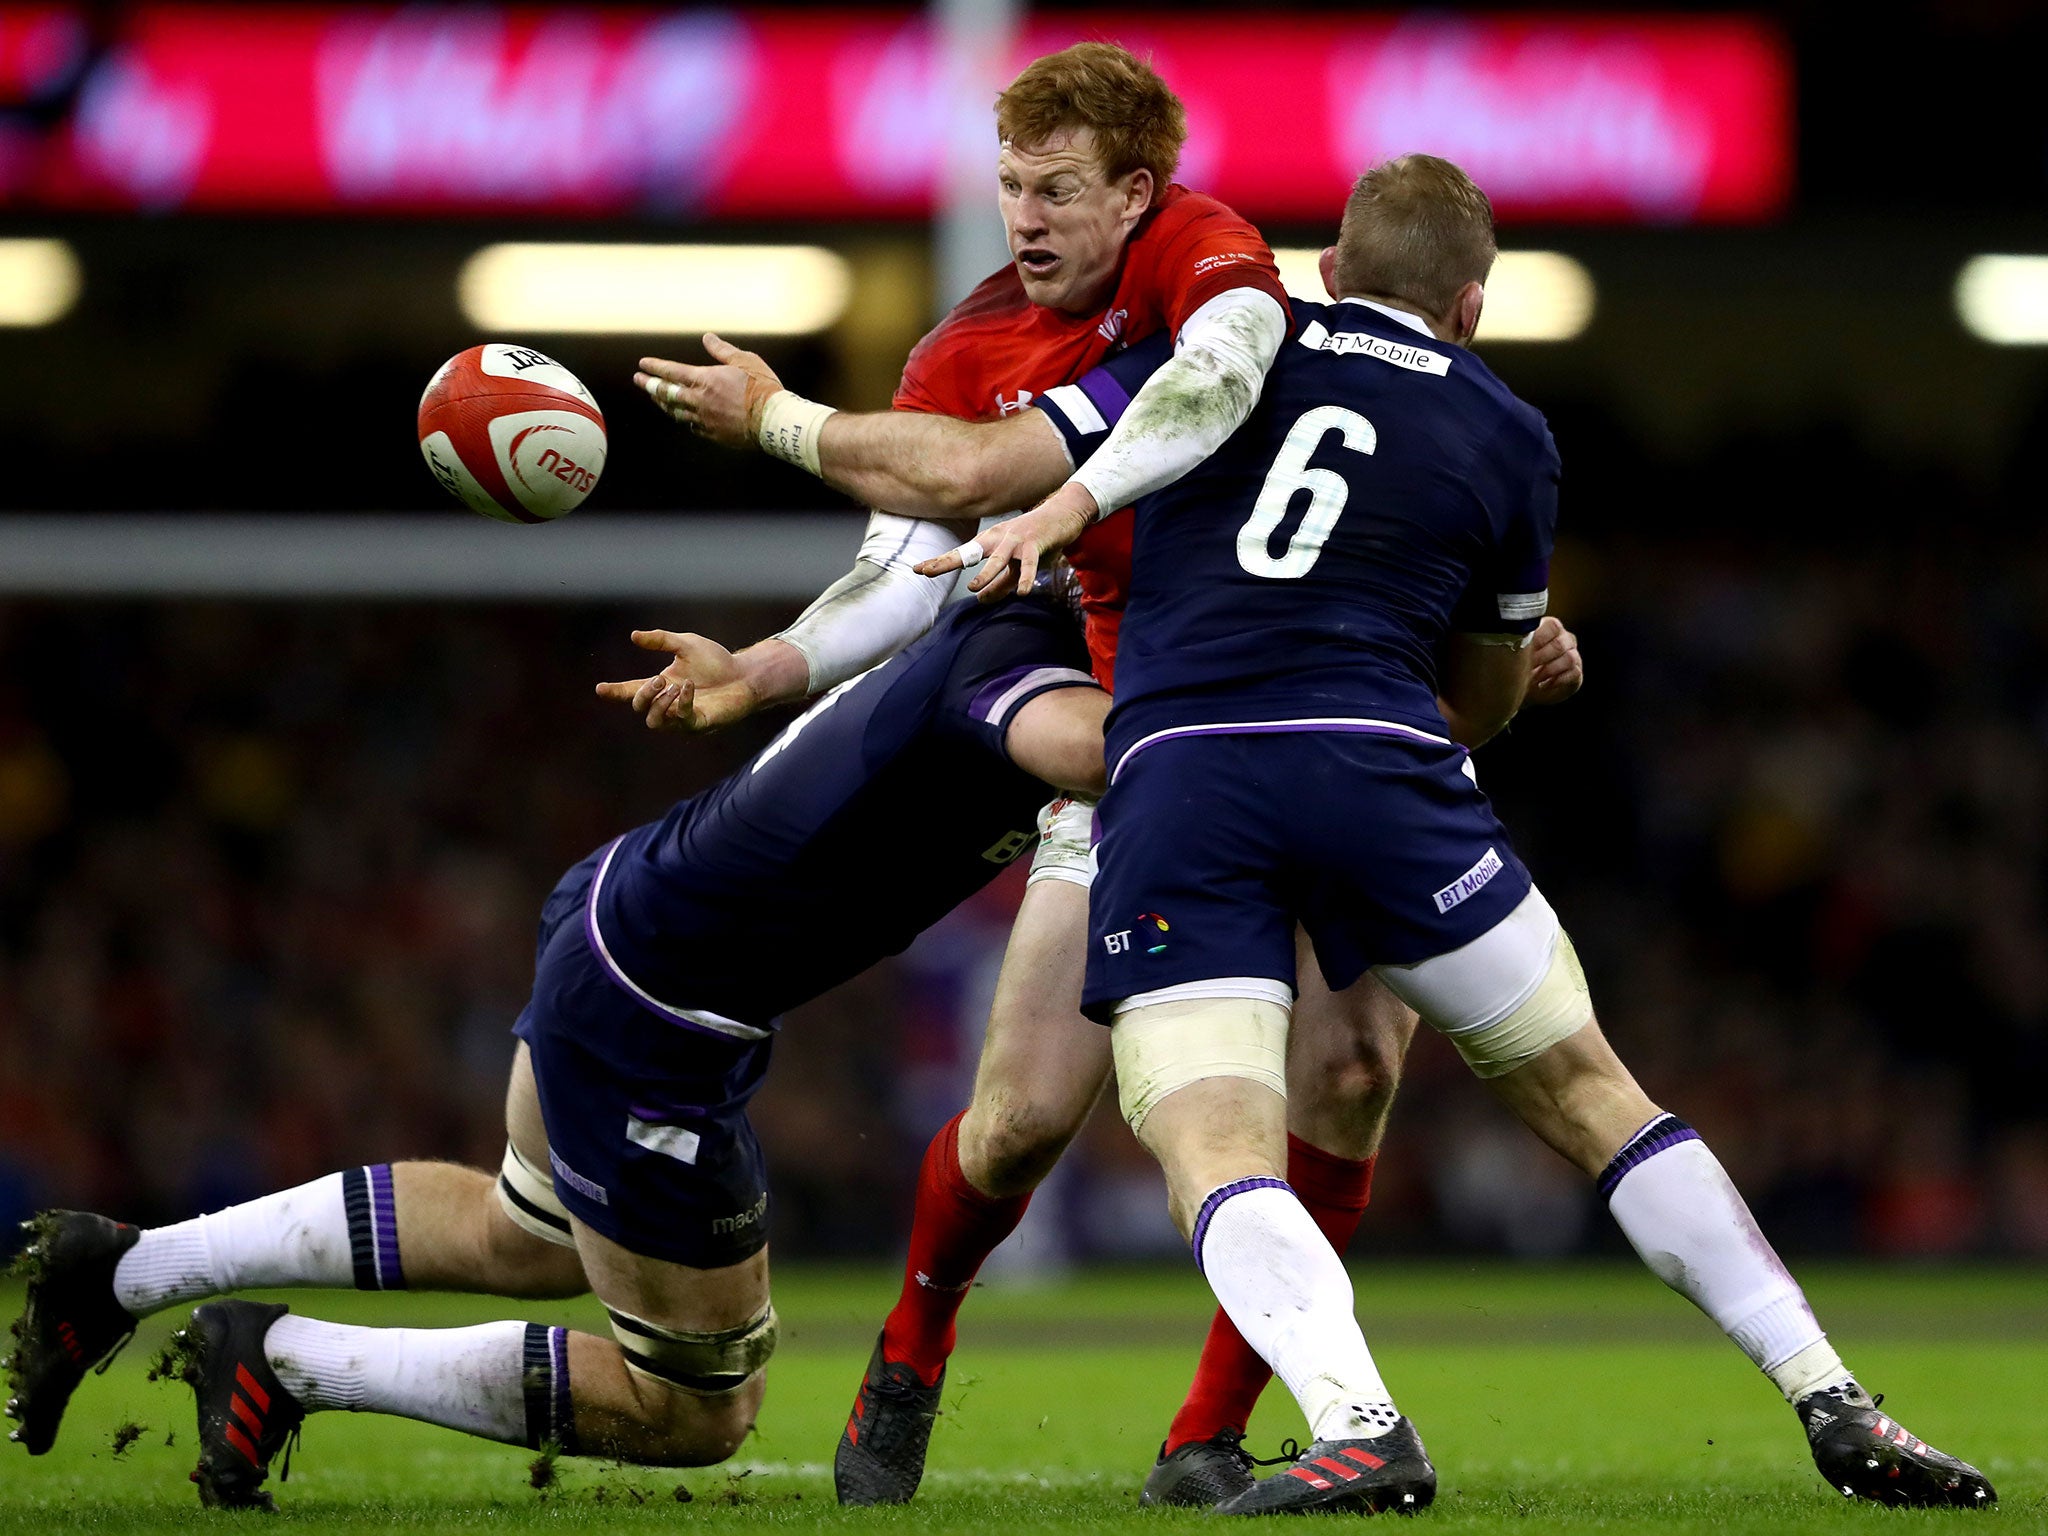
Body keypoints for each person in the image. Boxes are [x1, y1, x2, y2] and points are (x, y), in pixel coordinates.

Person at [920, 152, 1995, 1515]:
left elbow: (1105, 458)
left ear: (1324, 273)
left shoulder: (1230, 338)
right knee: (1599, 1095)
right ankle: (1830, 1393)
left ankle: (1361, 1422)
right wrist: (1508, 660)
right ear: (1473, 306)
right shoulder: (1506, 430)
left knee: (1216, 1143)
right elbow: (1480, 703)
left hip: (1189, 766)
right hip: (1387, 766)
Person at [627, 39, 1571, 1508]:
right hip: (1141, 752)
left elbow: (1279, 425)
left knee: (1352, 1071)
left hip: (1304, 730)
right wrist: (762, 671)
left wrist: (1507, 621)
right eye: (1010, 186)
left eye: (1057, 188)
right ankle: (916, 1337)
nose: (1026, 216)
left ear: (1139, 193)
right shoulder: (964, 355)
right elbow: (913, 561)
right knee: (1019, 1119)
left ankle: (1206, 1433)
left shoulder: (1215, 262)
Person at [4, 594, 1106, 1508]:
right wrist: (1255, 717)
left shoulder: (1020, 628)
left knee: (526, 1232)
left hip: (627, 924)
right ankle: (285, 1362)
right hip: (655, 1014)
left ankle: (126, 1269)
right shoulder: (1037, 659)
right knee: (694, 1408)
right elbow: (1096, 746)